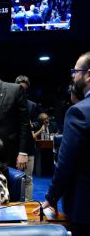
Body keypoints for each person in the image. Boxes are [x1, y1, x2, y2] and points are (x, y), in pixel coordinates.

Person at [34, 51, 90, 236]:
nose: (73, 76)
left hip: (85, 205)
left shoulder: (79, 111)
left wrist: (51, 196)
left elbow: (66, 161)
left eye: (75, 71)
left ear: (88, 74)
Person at [15, 75, 37, 201]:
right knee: (13, 176)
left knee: (28, 178)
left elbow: (39, 122)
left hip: (28, 147)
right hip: (12, 146)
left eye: (24, 88)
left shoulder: (32, 105)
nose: (22, 91)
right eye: (20, 88)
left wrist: (32, 125)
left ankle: (28, 203)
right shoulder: (9, 103)